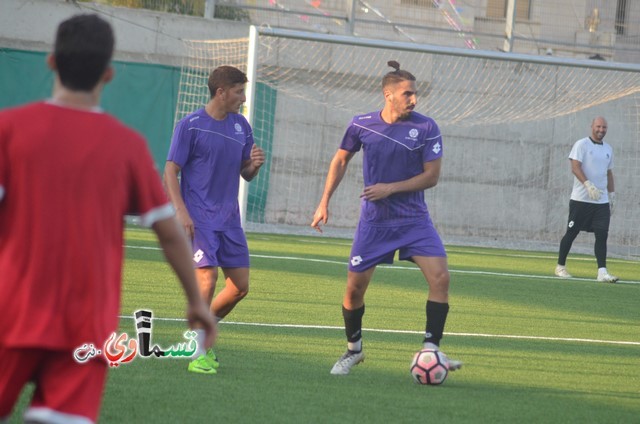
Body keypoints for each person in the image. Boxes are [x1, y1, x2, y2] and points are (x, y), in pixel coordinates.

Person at [0, 14, 216, 424]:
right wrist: (195, 303)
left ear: (51, 62)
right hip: (83, 326)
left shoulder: (9, 130)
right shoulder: (127, 147)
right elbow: (169, 233)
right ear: (109, 73)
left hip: (11, 313)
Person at [311, 60, 462, 375]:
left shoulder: (426, 127)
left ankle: (431, 351)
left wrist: (390, 188)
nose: (414, 100)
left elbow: (431, 176)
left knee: (441, 279)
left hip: (414, 221)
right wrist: (324, 201)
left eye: (415, 94)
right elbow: (340, 160)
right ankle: (354, 350)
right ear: (388, 94)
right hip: (375, 223)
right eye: (407, 94)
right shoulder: (362, 124)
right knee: (354, 290)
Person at [164, 65, 265, 375]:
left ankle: (202, 334)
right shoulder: (190, 125)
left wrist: (255, 166)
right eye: (238, 92)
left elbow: (244, 172)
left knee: (239, 287)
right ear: (221, 92)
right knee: (207, 280)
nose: (243, 98)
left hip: (229, 220)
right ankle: (198, 352)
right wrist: (181, 211)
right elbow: (170, 170)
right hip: (199, 218)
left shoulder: (241, 126)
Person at [555, 116, 618, 283]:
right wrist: (588, 185)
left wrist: (612, 195)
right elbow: (575, 167)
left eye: (604, 127)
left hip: (601, 201)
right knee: (572, 232)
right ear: (592, 126)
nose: (601, 130)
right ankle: (560, 266)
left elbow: (609, 173)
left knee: (602, 234)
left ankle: (602, 272)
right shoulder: (581, 144)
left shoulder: (608, 149)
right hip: (581, 200)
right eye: (598, 126)